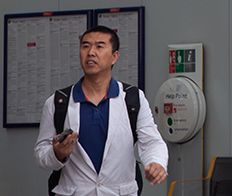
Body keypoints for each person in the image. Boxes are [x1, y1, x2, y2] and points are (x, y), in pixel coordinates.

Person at [35, 26, 167, 196]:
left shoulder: (132, 98)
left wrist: (156, 162)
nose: (91, 52)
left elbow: (151, 141)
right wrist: (57, 154)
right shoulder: (58, 102)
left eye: (99, 46)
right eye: (85, 46)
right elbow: (40, 154)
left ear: (114, 56)